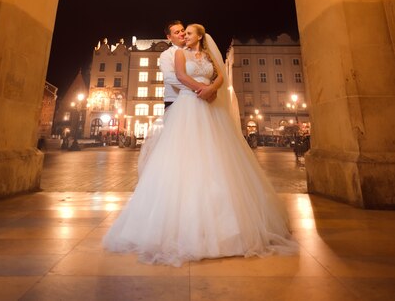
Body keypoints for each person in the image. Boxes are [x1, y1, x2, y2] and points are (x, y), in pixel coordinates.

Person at [103, 24, 298, 266]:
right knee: (185, 158)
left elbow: (220, 76)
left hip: (209, 107)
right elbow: (181, 77)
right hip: (188, 104)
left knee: (217, 157)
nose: (184, 35)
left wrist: (212, 88)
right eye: (181, 33)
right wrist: (202, 89)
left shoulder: (207, 55)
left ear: (199, 37)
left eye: (188, 33)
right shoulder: (177, 53)